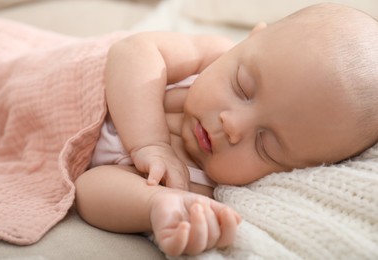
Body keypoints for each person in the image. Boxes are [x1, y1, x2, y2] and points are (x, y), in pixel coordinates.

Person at [74, 3, 378, 256]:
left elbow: (87, 189)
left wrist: (155, 204)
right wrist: (149, 143)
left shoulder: (196, 183)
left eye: (265, 145)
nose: (233, 126)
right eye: (243, 87)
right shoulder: (211, 56)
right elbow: (132, 51)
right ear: (250, 40)